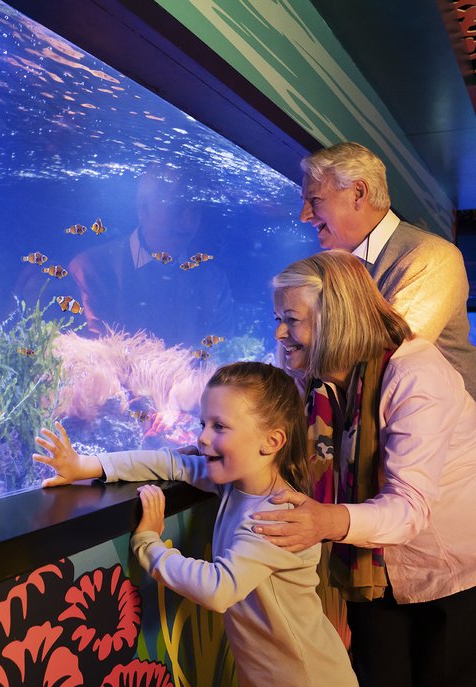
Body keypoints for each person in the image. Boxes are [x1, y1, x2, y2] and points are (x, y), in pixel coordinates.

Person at [33, 362, 357, 687]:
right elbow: (171, 463)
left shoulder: (277, 514)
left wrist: (149, 545)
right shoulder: (234, 484)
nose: (201, 438)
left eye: (219, 427)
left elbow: (219, 590)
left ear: (271, 442)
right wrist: (86, 466)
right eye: (203, 423)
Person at [256, 250, 476, 687]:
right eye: (278, 318)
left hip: (449, 578)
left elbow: (409, 509)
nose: (280, 332)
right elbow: (245, 427)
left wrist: (323, 520)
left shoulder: (413, 375)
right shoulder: (315, 377)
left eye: (291, 320)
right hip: (372, 574)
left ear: (335, 318)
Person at [299, 141, 476, 397]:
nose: (303, 215)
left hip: (446, 432)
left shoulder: (433, 256)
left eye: (314, 199)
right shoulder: (340, 267)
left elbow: (385, 359)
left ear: (358, 193)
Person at [66, 167, 234, 344]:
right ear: (143, 207)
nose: (188, 221)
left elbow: (224, 357)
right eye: (178, 206)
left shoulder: (214, 282)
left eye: (196, 209)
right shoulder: (89, 269)